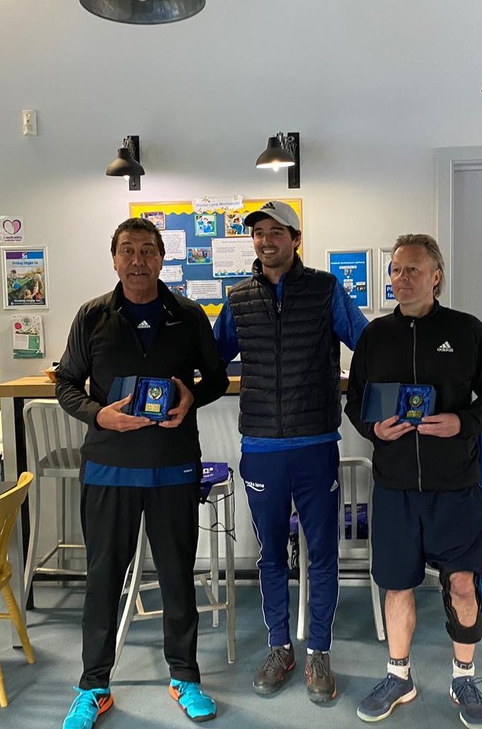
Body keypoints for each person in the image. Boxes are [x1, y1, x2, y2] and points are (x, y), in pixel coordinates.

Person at [56, 217, 229, 728]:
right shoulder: (92, 317)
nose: (138, 260)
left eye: (148, 250)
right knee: (102, 580)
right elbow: (66, 384)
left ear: (161, 258)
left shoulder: (188, 315)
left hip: (173, 466)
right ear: (114, 259)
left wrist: (193, 397)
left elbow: (218, 378)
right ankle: (94, 686)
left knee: (177, 576)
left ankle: (185, 677)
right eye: (128, 250)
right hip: (109, 468)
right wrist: (99, 415)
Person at [344, 234, 482, 729]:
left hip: (454, 485)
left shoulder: (466, 330)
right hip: (395, 487)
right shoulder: (375, 336)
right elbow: (356, 402)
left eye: (413, 270)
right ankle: (399, 677)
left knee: (462, 583)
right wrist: (372, 429)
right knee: (397, 586)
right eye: (396, 270)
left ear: (436, 276)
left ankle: (464, 677)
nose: (402, 279)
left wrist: (464, 422)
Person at [213, 201, 367, 703]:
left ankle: (319, 650)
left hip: (315, 442)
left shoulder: (325, 289)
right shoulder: (238, 299)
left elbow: (366, 342)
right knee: (271, 554)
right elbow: (212, 357)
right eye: (258, 232)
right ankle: (280, 647)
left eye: (276, 232)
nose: (265, 240)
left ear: (296, 238)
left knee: (322, 552)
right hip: (260, 445)